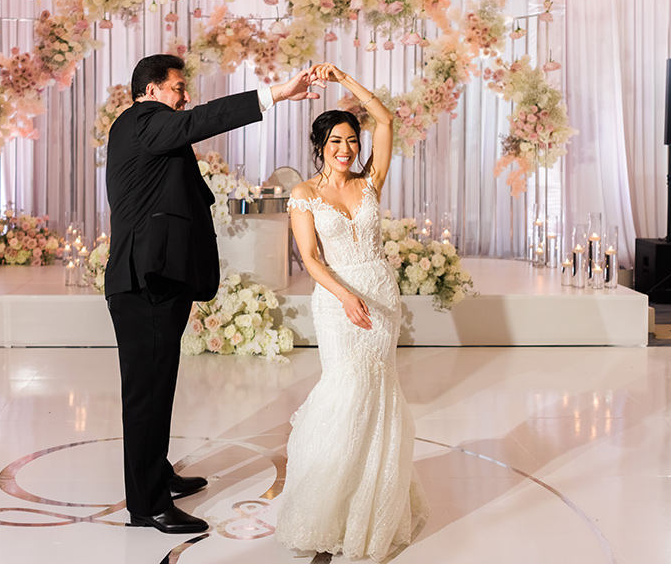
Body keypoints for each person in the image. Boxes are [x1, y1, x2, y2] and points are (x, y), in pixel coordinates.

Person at [105, 54, 323, 534]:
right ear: (150, 91)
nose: (186, 97)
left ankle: (155, 472)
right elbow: (205, 120)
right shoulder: (143, 121)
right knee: (146, 395)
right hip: (146, 284)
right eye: (178, 88)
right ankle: (147, 505)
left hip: (155, 281)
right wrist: (277, 94)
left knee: (157, 388)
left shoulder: (148, 129)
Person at [276, 63, 429, 560]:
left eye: (352, 142)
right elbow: (311, 259)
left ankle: (372, 502)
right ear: (319, 146)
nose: (346, 151)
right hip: (337, 296)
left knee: (377, 389)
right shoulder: (304, 195)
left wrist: (343, 79)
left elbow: (386, 121)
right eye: (336, 142)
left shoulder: (370, 183)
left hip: (380, 294)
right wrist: (344, 297)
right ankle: (328, 505)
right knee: (347, 388)